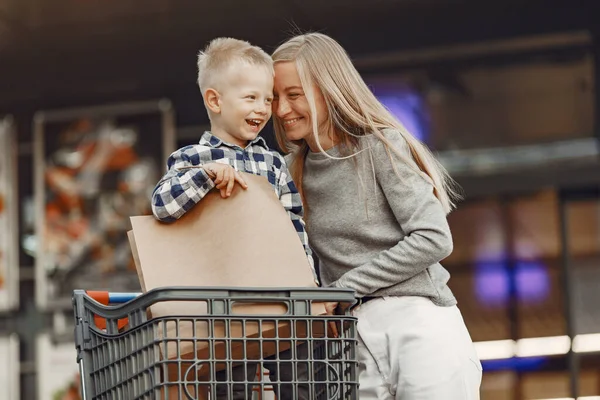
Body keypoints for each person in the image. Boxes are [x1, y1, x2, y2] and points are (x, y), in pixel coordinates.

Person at [271, 32, 483, 400]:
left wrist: (345, 287)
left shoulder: (380, 147)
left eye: (293, 94)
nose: (281, 109)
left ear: (329, 89)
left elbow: (433, 238)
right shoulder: (288, 174)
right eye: (274, 97)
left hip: (418, 324)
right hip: (351, 344)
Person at [151, 37, 316, 400]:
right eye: (251, 98)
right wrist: (205, 176)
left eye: (267, 99)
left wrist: (311, 290)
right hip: (224, 312)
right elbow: (162, 205)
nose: (263, 107)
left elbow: (294, 226)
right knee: (233, 390)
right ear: (215, 100)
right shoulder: (192, 159)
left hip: (283, 303)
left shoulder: (274, 162)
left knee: (302, 386)